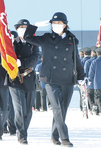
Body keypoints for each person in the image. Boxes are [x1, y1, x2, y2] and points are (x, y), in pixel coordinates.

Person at [24, 12, 85, 147]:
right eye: (53, 23)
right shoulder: (46, 38)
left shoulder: (72, 39)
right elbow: (27, 37)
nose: (56, 26)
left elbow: (76, 59)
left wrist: (81, 76)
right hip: (50, 79)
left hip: (68, 78)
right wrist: (34, 26)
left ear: (65, 24)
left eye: (58, 23)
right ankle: (64, 138)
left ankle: (54, 135)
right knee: (57, 108)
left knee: (62, 110)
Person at [7, 19, 40, 144]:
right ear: (16, 30)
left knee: (27, 110)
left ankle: (23, 130)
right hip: (14, 79)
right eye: (20, 27)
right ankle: (22, 135)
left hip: (29, 78)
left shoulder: (33, 43)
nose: (22, 29)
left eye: (25, 27)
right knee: (19, 108)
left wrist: (22, 62)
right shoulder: (12, 43)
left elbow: (35, 58)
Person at [84, 46, 98, 114]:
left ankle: (92, 106)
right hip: (98, 84)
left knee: (90, 96)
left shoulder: (88, 62)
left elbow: (85, 74)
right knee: (97, 97)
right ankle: (96, 107)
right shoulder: (99, 61)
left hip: (90, 83)